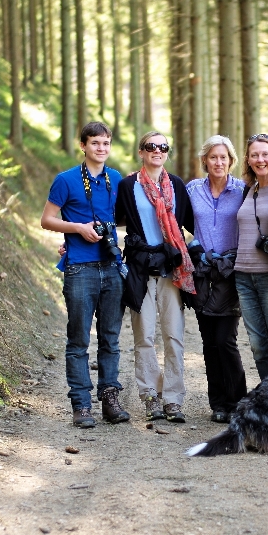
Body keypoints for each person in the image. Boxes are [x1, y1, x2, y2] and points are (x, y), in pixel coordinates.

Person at [40, 121, 130, 429]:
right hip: (79, 268)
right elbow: (47, 219)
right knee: (78, 340)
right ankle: (81, 404)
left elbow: (120, 220)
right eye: (95, 143)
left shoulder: (115, 178)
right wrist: (78, 229)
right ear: (83, 146)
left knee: (111, 339)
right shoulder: (65, 180)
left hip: (112, 266)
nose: (101, 148)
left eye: (106, 143)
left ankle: (110, 399)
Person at [115, 131, 196, 423]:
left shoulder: (176, 185)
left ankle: (173, 399)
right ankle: (150, 396)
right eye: (151, 146)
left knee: (174, 336)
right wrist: (69, 240)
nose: (157, 151)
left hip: (171, 270)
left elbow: (193, 224)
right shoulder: (126, 186)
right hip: (140, 269)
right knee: (144, 336)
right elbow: (107, 218)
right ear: (141, 152)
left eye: (163, 147)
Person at [185, 135, 248, 423]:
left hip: (230, 271)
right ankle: (218, 404)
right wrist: (194, 246)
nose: (218, 162)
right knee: (209, 341)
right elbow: (180, 220)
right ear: (205, 160)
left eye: (223, 157)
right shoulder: (192, 189)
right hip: (202, 272)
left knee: (225, 340)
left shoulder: (243, 190)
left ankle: (238, 402)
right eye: (213, 157)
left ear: (231, 161)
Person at [233, 134, 268, 381]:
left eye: (265, 154)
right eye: (254, 154)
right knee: (258, 347)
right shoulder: (247, 189)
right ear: (248, 159)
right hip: (243, 276)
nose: (260, 159)